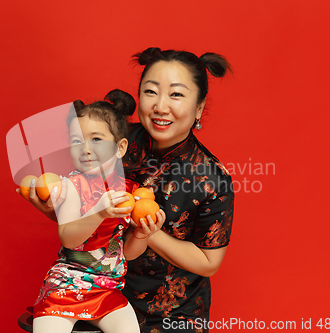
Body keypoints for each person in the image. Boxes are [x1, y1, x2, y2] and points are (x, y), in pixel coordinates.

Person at [20, 48, 234, 333]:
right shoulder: (112, 139)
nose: (160, 106)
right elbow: (79, 204)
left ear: (198, 107)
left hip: (170, 312)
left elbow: (208, 262)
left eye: (177, 95)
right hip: (94, 288)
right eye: (150, 92)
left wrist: (145, 229)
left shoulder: (212, 177)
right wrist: (54, 208)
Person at [24, 89, 166, 333]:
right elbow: (69, 238)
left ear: (120, 148)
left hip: (107, 288)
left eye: (96, 139)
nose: (85, 149)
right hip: (67, 285)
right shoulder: (72, 186)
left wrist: (144, 234)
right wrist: (100, 212)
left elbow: (128, 253)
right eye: (77, 141)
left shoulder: (131, 194)